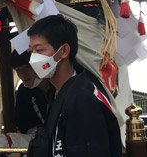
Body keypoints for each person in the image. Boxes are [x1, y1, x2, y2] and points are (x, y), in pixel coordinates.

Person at [26, 14, 121, 157]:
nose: (33, 58)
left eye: (39, 50)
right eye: (31, 51)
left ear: (64, 51)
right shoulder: (61, 91)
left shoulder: (82, 98)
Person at [0, 51, 53, 151]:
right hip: (39, 138)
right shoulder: (24, 91)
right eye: (18, 70)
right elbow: (24, 126)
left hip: (64, 138)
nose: (23, 74)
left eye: (27, 67)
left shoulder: (57, 84)